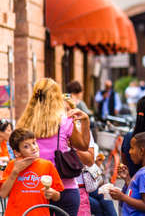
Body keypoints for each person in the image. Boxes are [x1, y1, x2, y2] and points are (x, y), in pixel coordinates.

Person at [16, 78, 90, 216]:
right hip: (65, 187)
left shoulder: (24, 124)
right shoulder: (65, 122)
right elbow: (84, 146)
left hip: (32, 187)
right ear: (57, 98)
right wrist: (85, 121)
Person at [0, 128, 64, 216]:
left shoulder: (47, 165)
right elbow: (3, 194)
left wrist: (53, 193)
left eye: (34, 143)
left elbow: (58, 197)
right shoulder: (12, 165)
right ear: (17, 152)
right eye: (26, 146)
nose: (33, 148)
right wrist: (15, 172)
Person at [111, 132, 145, 216]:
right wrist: (127, 178)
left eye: (132, 148)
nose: (129, 152)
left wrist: (122, 197)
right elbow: (137, 192)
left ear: (141, 151)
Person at [63, 97, 96, 216]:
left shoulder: (83, 130)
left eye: (67, 110)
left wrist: (72, 147)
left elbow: (90, 160)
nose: (64, 114)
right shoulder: (52, 132)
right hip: (58, 188)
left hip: (79, 187)